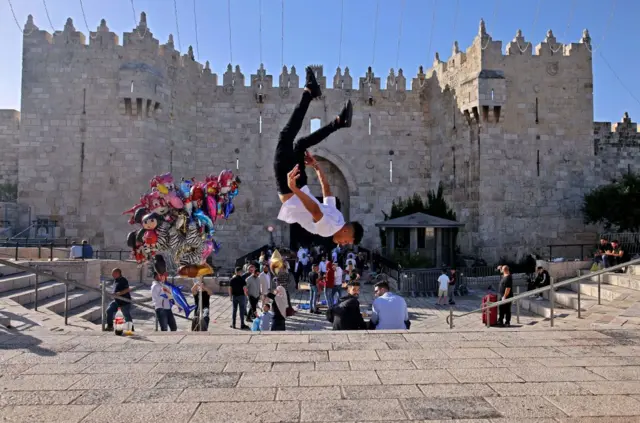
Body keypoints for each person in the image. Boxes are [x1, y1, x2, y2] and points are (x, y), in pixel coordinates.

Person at [274, 66, 363, 246]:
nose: (342, 244)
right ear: (347, 231)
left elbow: (327, 192)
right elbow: (315, 210)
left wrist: (317, 168)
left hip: (301, 187)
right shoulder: (329, 229)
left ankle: (337, 123)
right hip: (293, 191)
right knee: (285, 137)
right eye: (347, 241)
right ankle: (310, 92)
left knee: (299, 144)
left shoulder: (338, 218)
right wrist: (295, 188)